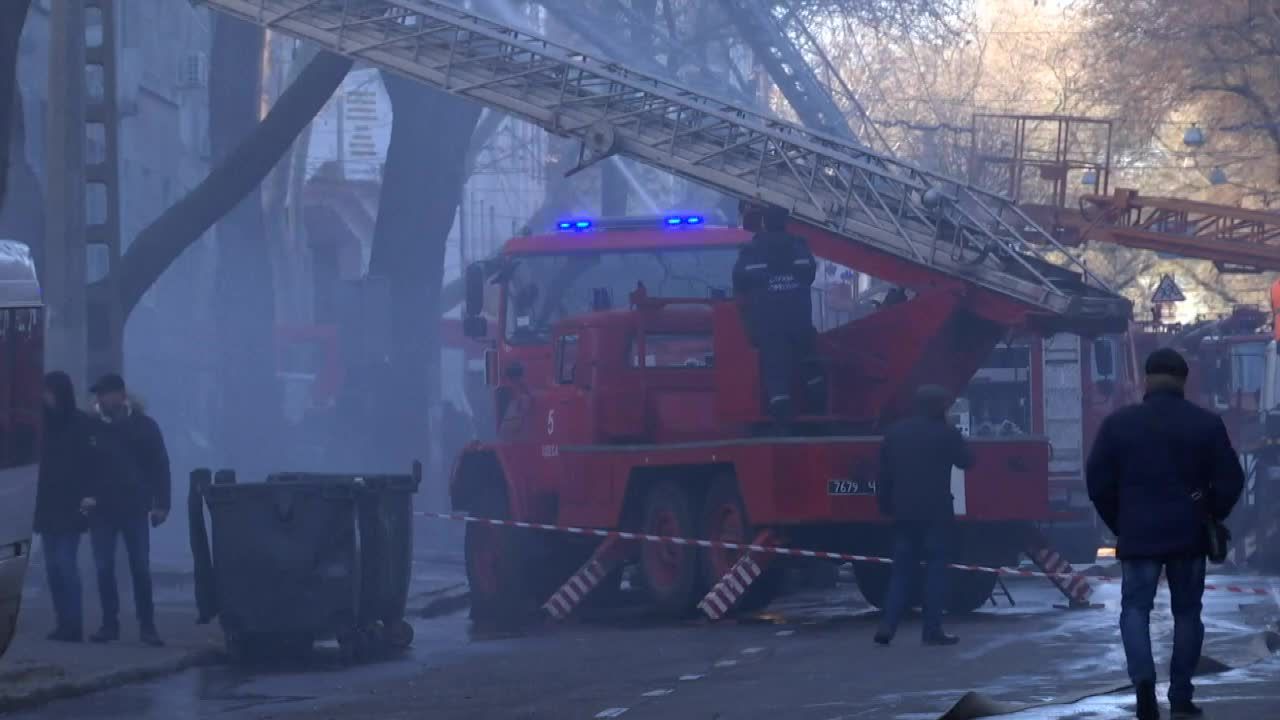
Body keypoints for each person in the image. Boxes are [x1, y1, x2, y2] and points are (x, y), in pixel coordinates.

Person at [1086, 348, 1243, 720]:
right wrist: (1209, 513)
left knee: (1135, 610)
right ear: (1183, 380)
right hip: (1189, 535)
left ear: (1147, 378)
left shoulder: (1118, 424)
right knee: (1188, 613)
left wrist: (1120, 522)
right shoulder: (1206, 424)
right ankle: (1181, 696)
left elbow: (1097, 482)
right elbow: (1231, 480)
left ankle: (1143, 684)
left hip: (1138, 534)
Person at [873, 385, 973, 647]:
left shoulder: (894, 433)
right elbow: (967, 462)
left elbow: (883, 476)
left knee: (901, 572)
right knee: (936, 572)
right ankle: (932, 630)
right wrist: (952, 430)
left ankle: (887, 625)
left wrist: (886, 506)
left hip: (904, 514)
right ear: (941, 407)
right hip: (936, 515)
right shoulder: (946, 434)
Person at [83, 373, 171, 647]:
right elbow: (80, 465)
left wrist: (161, 505)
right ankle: (110, 625)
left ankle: (147, 626)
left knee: (140, 568)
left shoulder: (144, 427)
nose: (100, 399)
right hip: (102, 509)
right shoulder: (91, 428)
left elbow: (160, 467)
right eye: (98, 394)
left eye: (104, 393)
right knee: (103, 567)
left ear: (121, 395)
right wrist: (83, 496)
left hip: (134, 507)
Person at [732, 204, 823, 425]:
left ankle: (781, 417)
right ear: (785, 221)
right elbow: (809, 273)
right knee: (809, 361)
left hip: (767, 323)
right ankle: (817, 403)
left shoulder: (751, 251)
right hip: (799, 319)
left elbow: (739, 282)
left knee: (775, 370)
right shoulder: (799, 246)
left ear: (764, 222)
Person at [33, 371, 97, 643]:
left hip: (71, 504)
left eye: (48, 391)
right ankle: (64, 622)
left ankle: (73, 624)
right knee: (54, 568)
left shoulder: (80, 423)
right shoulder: (42, 424)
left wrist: (88, 496)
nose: (44, 396)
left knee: (64, 564)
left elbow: (91, 463)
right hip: (47, 504)